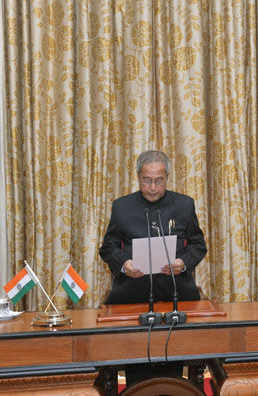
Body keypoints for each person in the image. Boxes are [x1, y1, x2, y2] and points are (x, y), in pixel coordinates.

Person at [99, 150, 207, 386]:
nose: (153, 188)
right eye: (147, 180)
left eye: (159, 181)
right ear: (138, 177)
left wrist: (183, 263)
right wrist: (124, 264)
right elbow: (107, 248)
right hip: (132, 294)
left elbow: (199, 245)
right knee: (136, 363)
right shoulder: (122, 207)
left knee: (174, 363)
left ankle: (177, 387)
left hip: (175, 292)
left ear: (167, 178)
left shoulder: (184, 204)